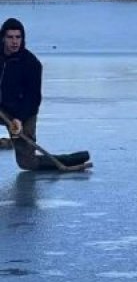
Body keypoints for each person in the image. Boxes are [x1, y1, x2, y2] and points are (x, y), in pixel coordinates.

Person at [0, 18, 90, 171]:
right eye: (10, 37)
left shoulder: (31, 63)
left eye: (18, 37)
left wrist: (19, 119)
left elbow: (33, 98)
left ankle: (70, 159)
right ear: (3, 38)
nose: (15, 41)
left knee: (27, 163)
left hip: (22, 112)